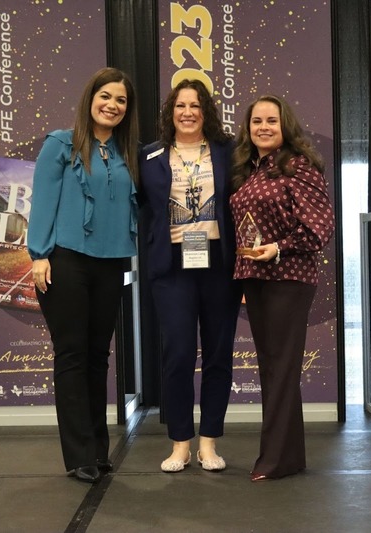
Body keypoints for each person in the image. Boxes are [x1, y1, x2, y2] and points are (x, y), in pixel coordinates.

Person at [28, 67, 139, 483]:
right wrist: (39, 255)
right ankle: (78, 456)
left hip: (111, 263)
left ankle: (97, 449)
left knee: (98, 357)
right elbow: (42, 201)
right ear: (90, 99)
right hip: (65, 261)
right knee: (72, 355)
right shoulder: (61, 143)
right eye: (105, 96)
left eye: (121, 100)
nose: (112, 105)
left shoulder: (129, 152)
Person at [229, 95, 334, 481]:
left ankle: (272, 460)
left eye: (271, 120)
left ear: (285, 125)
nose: (263, 127)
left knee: (281, 367)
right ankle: (289, 458)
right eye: (256, 121)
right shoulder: (251, 170)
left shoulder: (298, 167)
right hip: (256, 279)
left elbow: (319, 228)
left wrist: (277, 248)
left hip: (288, 279)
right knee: (274, 369)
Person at [139, 79, 242, 473]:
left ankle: (209, 442)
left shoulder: (229, 152)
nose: (188, 112)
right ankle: (181, 442)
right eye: (181, 105)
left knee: (218, 355)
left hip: (219, 265)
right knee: (179, 353)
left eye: (196, 105)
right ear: (171, 111)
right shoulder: (149, 156)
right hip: (171, 267)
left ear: (206, 112)